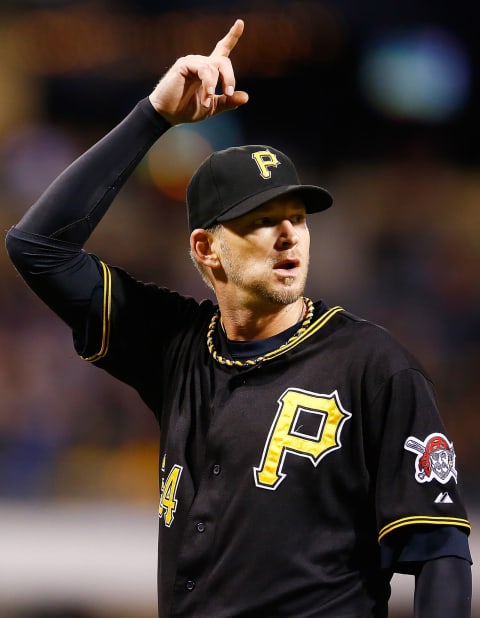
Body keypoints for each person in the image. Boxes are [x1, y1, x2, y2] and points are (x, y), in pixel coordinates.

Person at [5, 18, 473, 618]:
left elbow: (439, 553)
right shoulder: (177, 346)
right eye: (259, 220)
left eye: (297, 217)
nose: (288, 236)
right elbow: (37, 248)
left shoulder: (373, 365)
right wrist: (154, 115)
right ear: (205, 249)